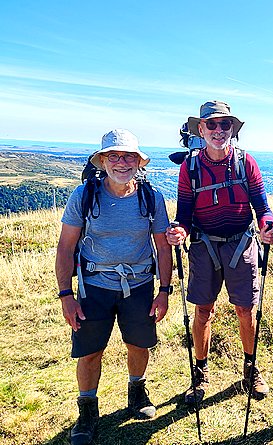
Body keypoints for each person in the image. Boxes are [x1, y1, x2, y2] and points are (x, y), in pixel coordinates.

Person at [55, 129, 172, 445]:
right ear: (103, 161)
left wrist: (164, 291)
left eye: (129, 156)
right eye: (114, 156)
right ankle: (87, 412)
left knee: (139, 344)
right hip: (94, 287)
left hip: (140, 285)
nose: (122, 163)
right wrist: (66, 295)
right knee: (90, 351)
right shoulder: (84, 196)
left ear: (138, 162)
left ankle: (137, 392)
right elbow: (66, 246)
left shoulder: (151, 198)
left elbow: (163, 247)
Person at [166, 100, 273, 405]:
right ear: (200, 130)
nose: (218, 130)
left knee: (246, 309)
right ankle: (200, 372)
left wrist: (267, 227)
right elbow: (184, 214)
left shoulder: (246, 162)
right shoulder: (190, 168)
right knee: (203, 311)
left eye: (224, 124)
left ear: (232, 129)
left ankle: (251, 369)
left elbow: (262, 207)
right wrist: (179, 231)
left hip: (241, 244)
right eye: (211, 125)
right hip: (204, 245)